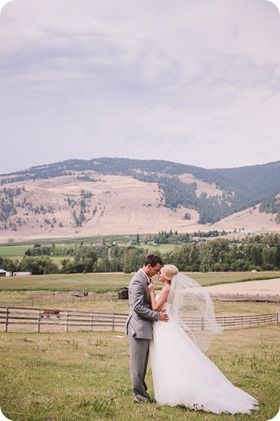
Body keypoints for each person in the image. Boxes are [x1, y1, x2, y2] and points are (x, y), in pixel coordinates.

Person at [148, 264, 259, 414]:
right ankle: (174, 390)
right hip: (167, 325)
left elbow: (155, 308)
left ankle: (176, 392)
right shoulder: (171, 289)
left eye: (160, 273)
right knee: (174, 358)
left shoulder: (166, 289)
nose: (158, 275)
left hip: (164, 326)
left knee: (169, 358)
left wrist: (151, 291)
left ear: (167, 276)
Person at [125, 254, 168, 403]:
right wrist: (157, 316)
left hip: (145, 328)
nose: (157, 273)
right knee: (137, 367)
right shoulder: (138, 280)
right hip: (138, 328)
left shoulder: (145, 279)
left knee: (142, 365)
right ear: (149, 266)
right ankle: (140, 397)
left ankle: (143, 394)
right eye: (156, 270)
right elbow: (137, 307)